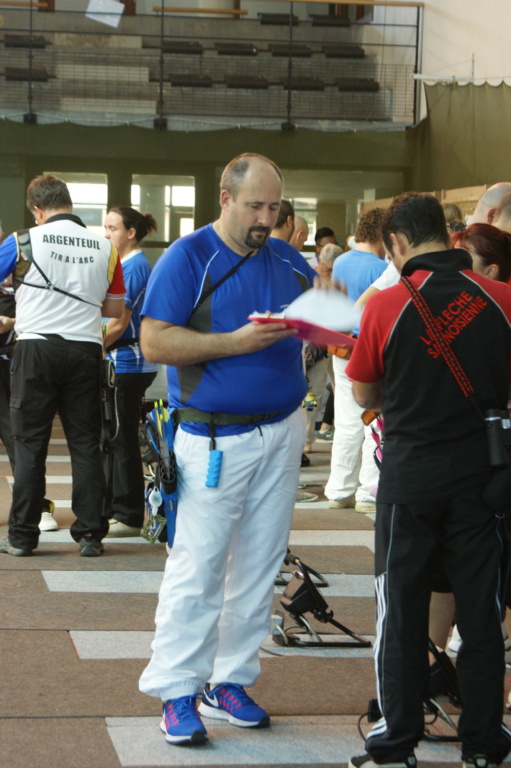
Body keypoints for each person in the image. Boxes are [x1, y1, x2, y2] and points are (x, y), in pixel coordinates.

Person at [138, 153, 316, 746]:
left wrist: (332, 324)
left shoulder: (289, 261)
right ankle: (177, 690)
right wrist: (235, 343)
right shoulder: (189, 257)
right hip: (213, 436)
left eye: (274, 207)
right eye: (254, 206)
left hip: (281, 431)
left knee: (260, 565)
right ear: (225, 198)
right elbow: (154, 342)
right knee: (199, 566)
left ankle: (229, 680)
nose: (265, 218)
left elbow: (312, 329)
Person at [346, 192, 511, 768]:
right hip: (482, 481)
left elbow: (363, 392)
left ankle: (397, 741)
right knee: (482, 615)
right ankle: (484, 743)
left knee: (401, 610)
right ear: (446, 232)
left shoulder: (385, 306)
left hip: (410, 479)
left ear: (396, 243)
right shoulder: (502, 299)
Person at [0, 174, 125, 558]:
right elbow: (113, 309)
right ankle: (90, 535)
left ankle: (22, 537)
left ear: (37, 210)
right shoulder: (105, 247)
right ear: (68, 204)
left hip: (35, 350)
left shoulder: (21, 241)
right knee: (86, 445)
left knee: (29, 445)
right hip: (86, 350)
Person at [325, 208, 387, 513]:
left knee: (346, 420)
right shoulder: (381, 269)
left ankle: (339, 490)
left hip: (341, 347)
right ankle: (368, 491)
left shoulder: (340, 261)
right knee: (373, 420)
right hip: (369, 349)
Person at [102, 206, 158, 537]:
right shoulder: (125, 264)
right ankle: (115, 508)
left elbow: (118, 324)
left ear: (131, 233)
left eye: (113, 228)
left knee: (121, 437)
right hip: (123, 361)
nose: (106, 234)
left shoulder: (134, 267)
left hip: (128, 362)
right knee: (114, 435)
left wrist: (92, 346)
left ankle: (128, 513)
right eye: (106, 227)